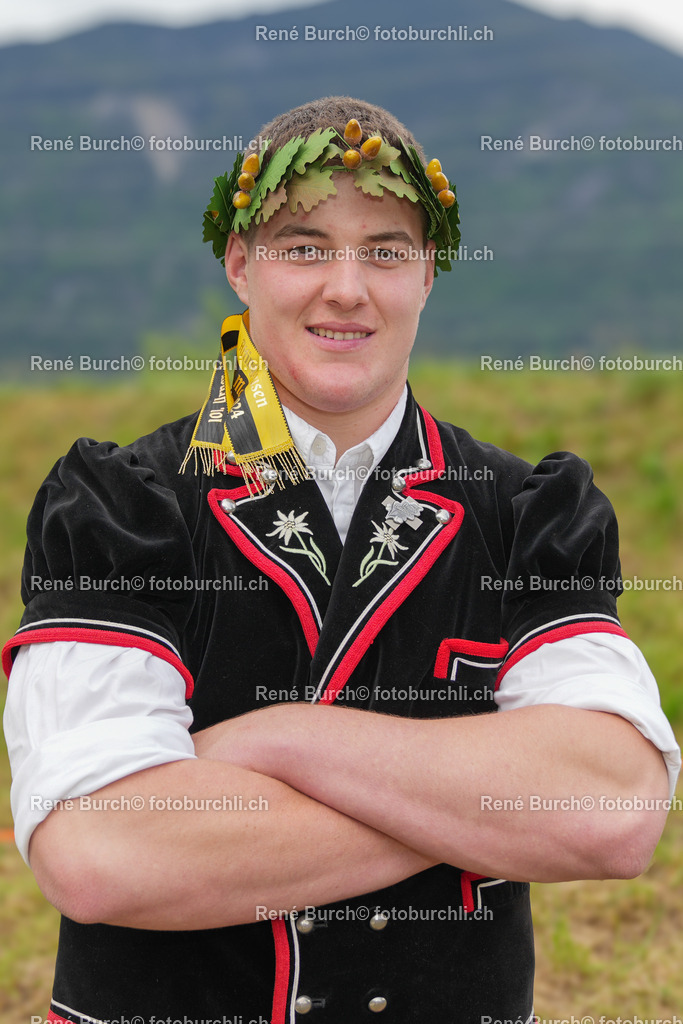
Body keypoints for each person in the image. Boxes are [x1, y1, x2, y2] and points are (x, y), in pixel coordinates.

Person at [2, 95, 680, 1024]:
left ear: (429, 273)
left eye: (387, 249)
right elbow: (102, 853)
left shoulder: (526, 515)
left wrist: (284, 737)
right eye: (305, 246)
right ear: (241, 264)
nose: (347, 287)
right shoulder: (126, 507)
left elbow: (612, 814)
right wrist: (486, 810)